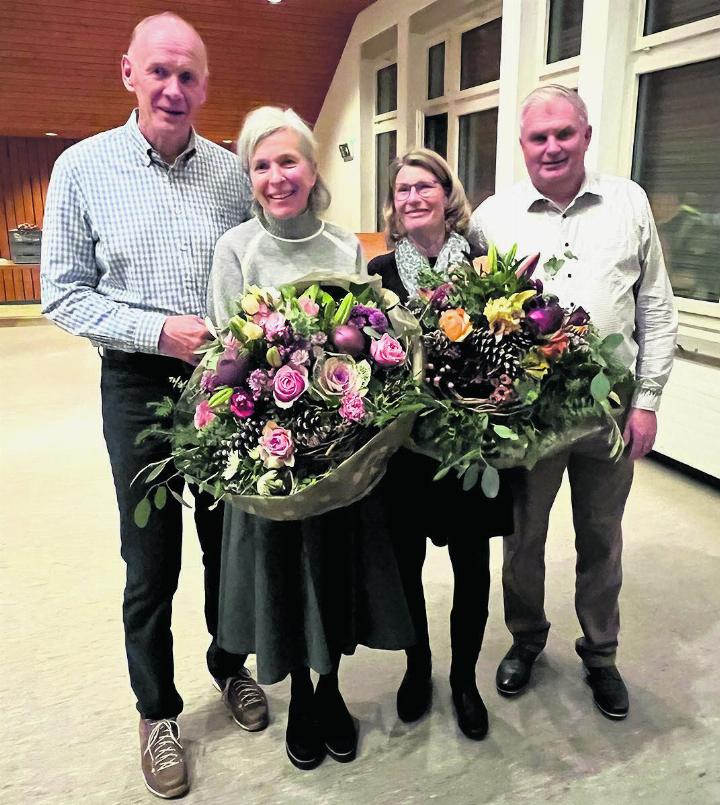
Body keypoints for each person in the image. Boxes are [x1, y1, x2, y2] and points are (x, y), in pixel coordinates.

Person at [40, 13, 267, 799]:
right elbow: (61, 294)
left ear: (206, 86)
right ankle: (157, 709)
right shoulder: (82, 167)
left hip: (227, 383)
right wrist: (156, 331)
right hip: (138, 383)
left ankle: (228, 664)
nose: (175, 88)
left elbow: (258, 272)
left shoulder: (232, 174)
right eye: (160, 71)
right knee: (152, 559)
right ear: (128, 73)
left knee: (228, 539)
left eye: (190, 75)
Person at [208, 106, 415, 770]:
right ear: (251, 175)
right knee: (286, 572)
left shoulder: (343, 247)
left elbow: (373, 339)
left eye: (288, 161)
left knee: (336, 569)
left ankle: (332, 690)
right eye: (262, 165)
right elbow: (223, 355)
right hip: (269, 451)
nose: (276, 176)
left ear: (312, 167)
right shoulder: (235, 249)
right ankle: (301, 692)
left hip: (341, 452)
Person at [469, 84, 678, 720]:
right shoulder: (492, 218)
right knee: (523, 539)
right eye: (539, 136)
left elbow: (656, 307)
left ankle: (601, 653)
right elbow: (471, 319)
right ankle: (527, 640)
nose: (552, 146)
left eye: (565, 133)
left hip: (609, 413)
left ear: (586, 135)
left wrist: (646, 401)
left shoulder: (628, 202)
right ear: (522, 145)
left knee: (601, 536)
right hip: (528, 417)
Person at [368, 148, 514, 741]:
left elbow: (513, 342)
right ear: (394, 205)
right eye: (402, 191)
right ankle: (418, 667)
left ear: (446, 195)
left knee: (472, 567)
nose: (414, 198)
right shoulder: (378, 274)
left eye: (424, 186)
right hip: (404, 454)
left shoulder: (484, 266)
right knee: (405, 565)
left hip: (469, 448)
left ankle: (462, 680)